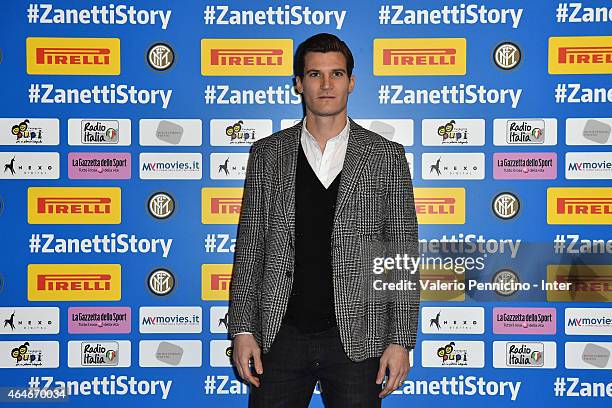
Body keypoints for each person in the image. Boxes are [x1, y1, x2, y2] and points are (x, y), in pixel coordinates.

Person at [228, 33, 420, 407]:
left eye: (337, 74)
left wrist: (400, 340)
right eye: (315, 74)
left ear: (352, 81)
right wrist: (243, 329)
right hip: (279, 336)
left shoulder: (386, 157)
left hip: (358, 338)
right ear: (299, 83)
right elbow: (250, 249)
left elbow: (400, 258)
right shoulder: (267, 154)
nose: (327, 84)